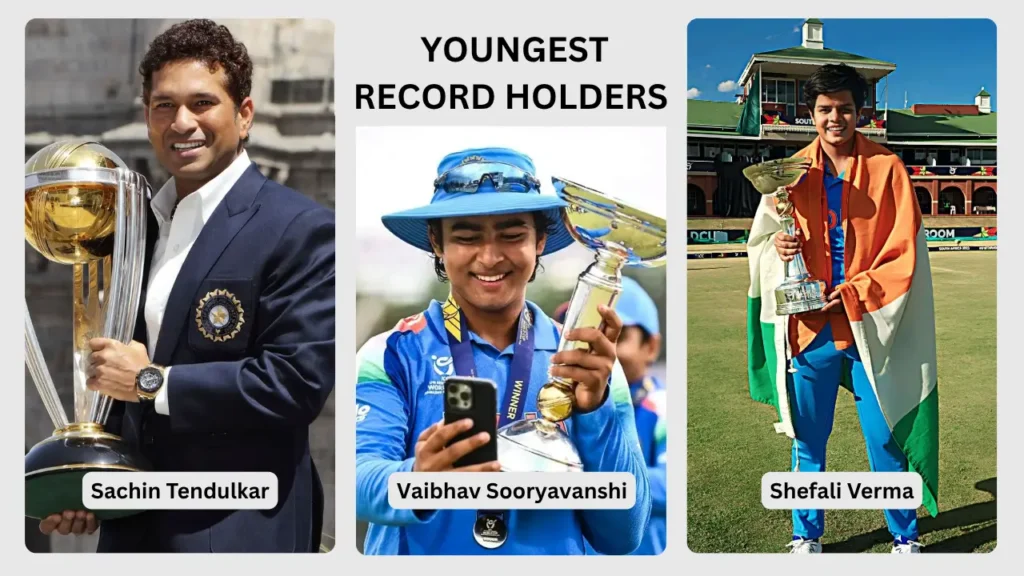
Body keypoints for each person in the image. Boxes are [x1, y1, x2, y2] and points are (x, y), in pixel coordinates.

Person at [38, 19, 335, 552]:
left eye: (202, 103)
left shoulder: (298, 227)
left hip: (235, 529)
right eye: (164, 105)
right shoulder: (137, 230)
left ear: (244, 114)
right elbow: (117, 387)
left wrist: (152, 381)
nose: (182, 122)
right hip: (135, 531)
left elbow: (295, 383)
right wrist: (86, 480)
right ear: (147, 117)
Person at [355, 147, 652, 555]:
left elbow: (625, 534)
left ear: (540, 241)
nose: (491, 257)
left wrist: (595, 412)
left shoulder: (586, 361)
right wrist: (420, 477)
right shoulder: (391, 354)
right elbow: (358, 481)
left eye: (512, 236)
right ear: (437, 243)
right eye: (467, 237)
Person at [746, 63, 939, 554]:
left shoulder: (888, 169)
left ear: (860, 112)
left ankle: (904, 537)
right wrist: (779, 249)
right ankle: (805, 536)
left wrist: (856, 290)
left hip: (870, 325)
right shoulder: (788, 173)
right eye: (825, 109)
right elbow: (762, 243)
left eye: (845, 109)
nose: (836, 118)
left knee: (885, 438)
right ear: (811, 113)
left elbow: (904, 251)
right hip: (810, 328)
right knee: (808, 442)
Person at [556, 276, 666, 555]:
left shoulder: (662, 406)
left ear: (651, 347)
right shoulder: (561, 402)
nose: (598, 348)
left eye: (618, 336)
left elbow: (672, 484)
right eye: (585, 333)